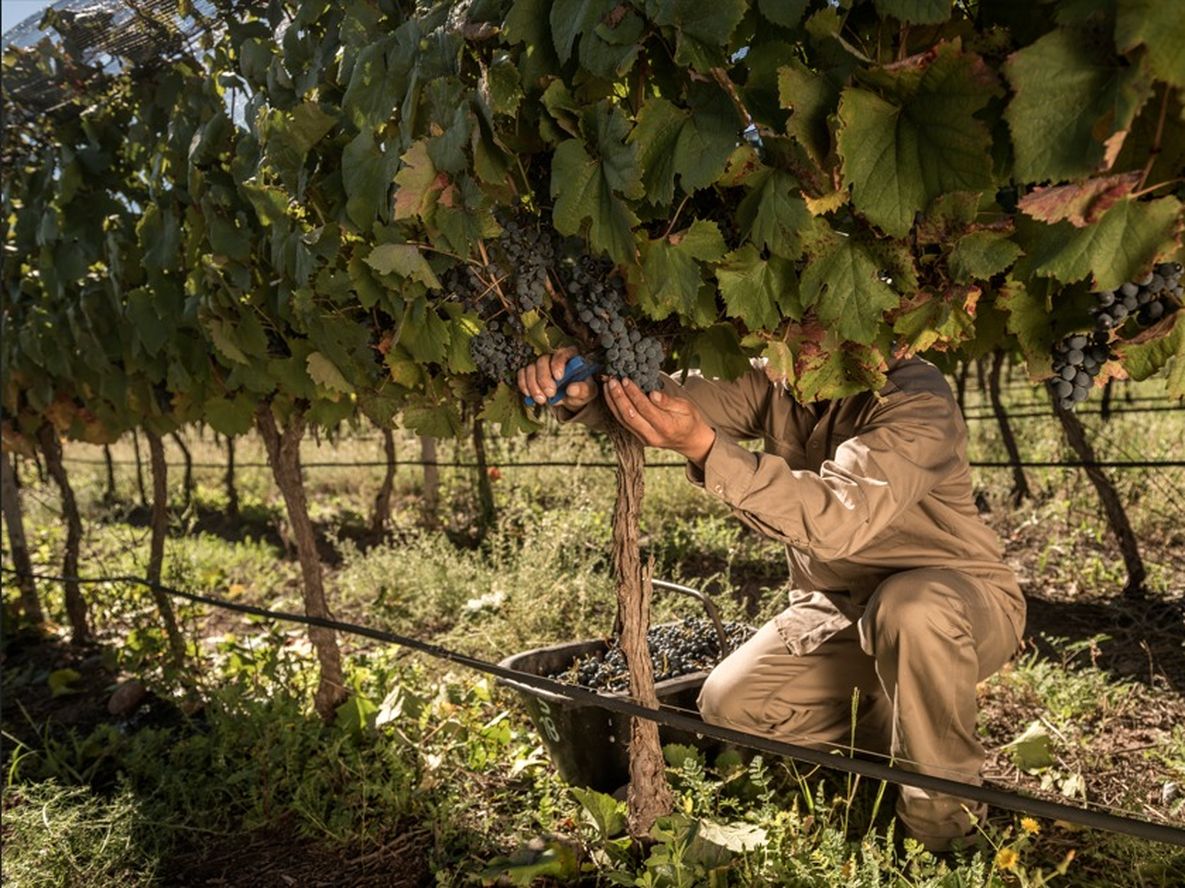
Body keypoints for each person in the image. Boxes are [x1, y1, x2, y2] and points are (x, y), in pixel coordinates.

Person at [517, 346, 1026, 851]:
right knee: (732, 705)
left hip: (958, 607)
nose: (794, 336)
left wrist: (706, 448)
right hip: (841, 610)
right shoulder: (785, 377)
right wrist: (593, 391)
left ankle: (946, 837)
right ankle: (917, 734)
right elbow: (673, 401)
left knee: (910, 610)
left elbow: (837, 518)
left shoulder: (918, 400)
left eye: (816, 325)